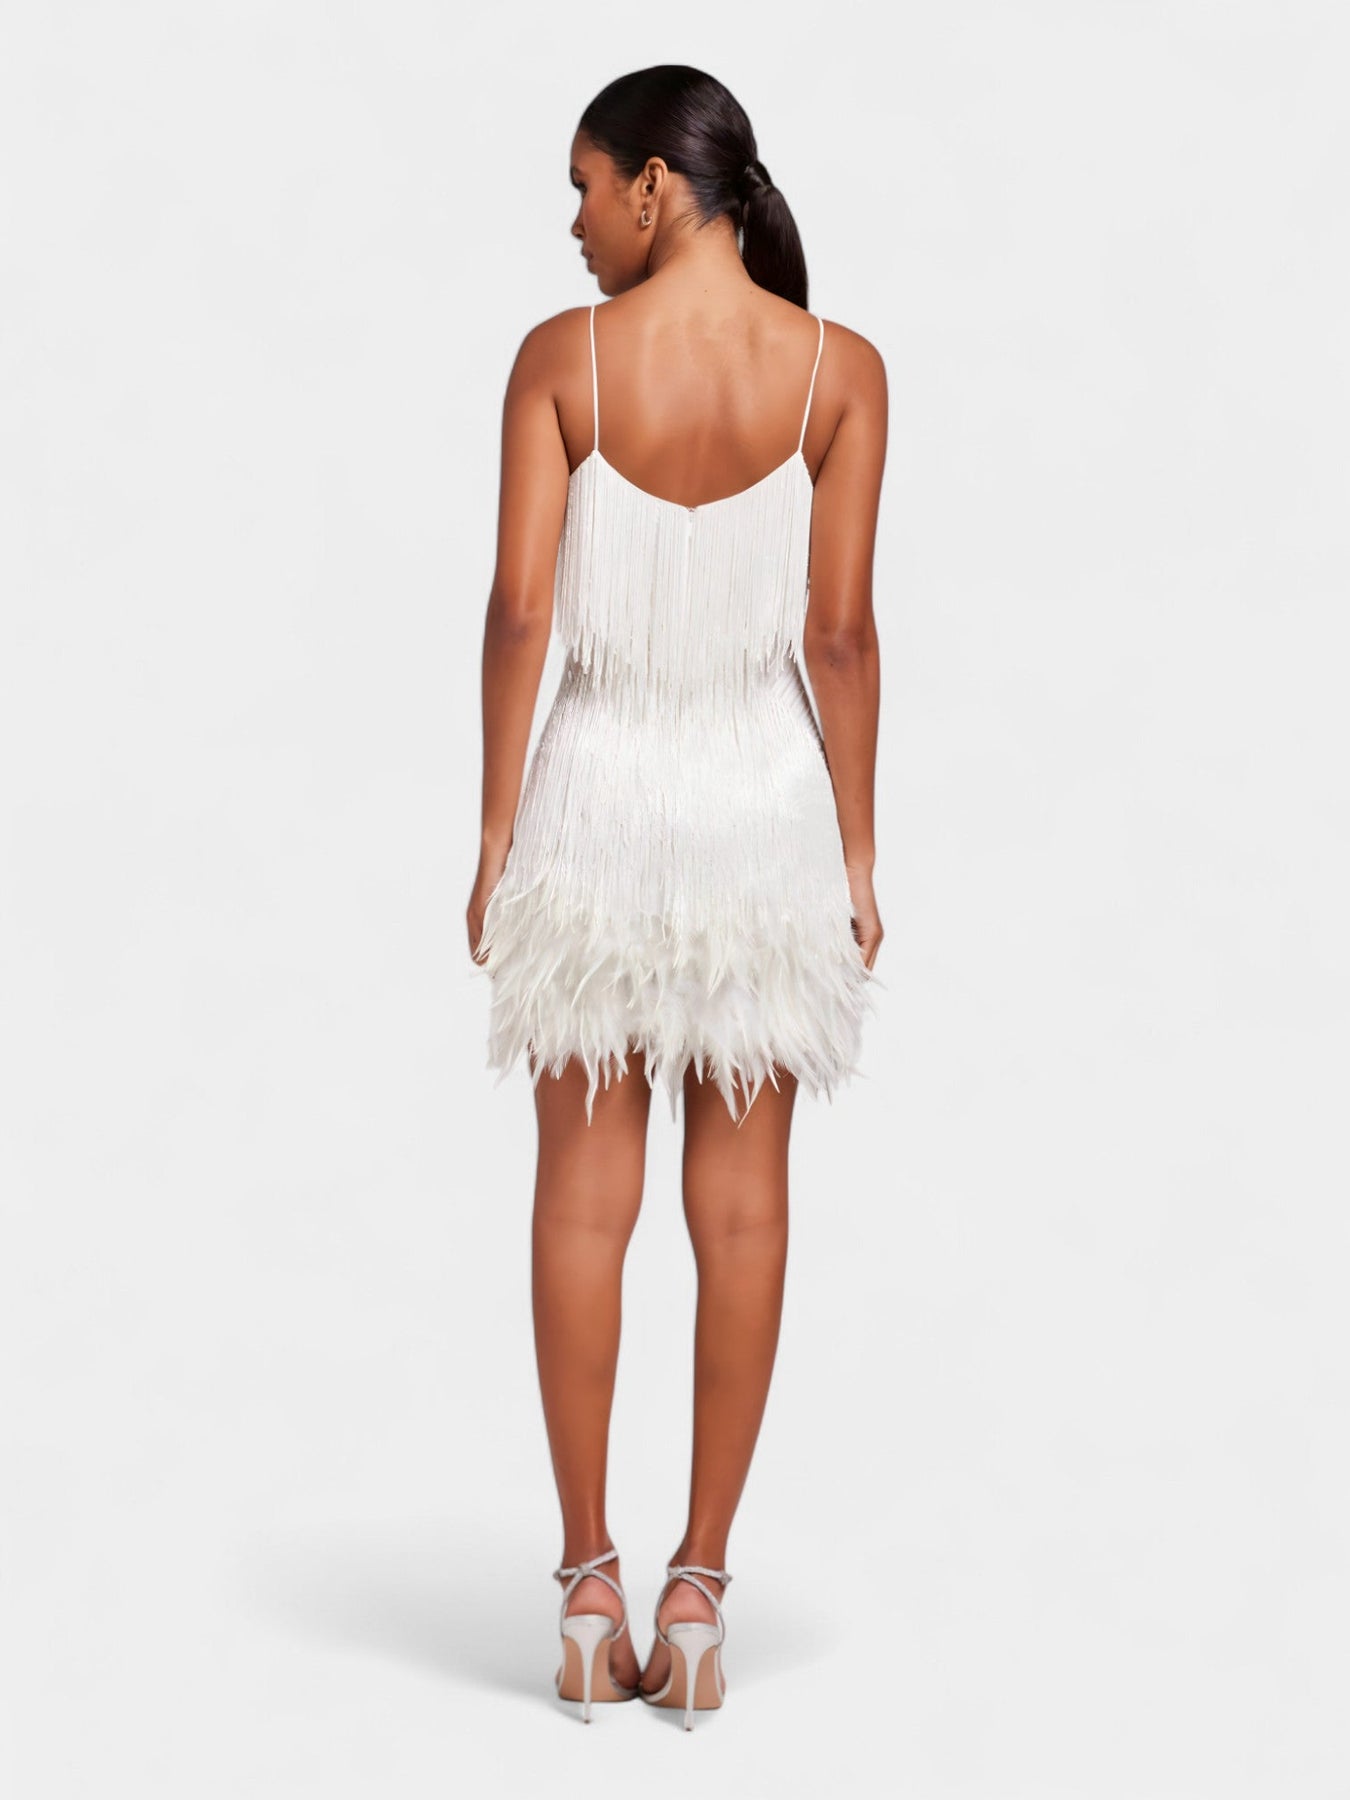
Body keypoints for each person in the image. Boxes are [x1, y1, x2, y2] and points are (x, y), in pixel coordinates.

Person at [467, 64, 886, 1729]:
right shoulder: (836, 373)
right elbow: (839, 636)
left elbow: (517, 612)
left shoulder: (560, 362)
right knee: (744, 1207)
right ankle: (698, 1594)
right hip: (760, 810)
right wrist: (857, 849)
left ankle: (588, 1587)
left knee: (582, 1199)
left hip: (596, 800)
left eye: (583, 188)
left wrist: (493, 830)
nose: (572, 225)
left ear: (655, 185)